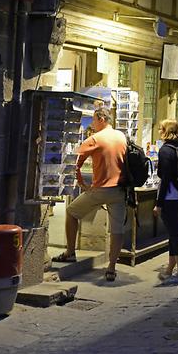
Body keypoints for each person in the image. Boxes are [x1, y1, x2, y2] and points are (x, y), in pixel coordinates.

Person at [51, 106, 126, 282]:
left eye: (93, 119)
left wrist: (81, 182)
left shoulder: (95, 139)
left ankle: (70, 252)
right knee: (117, 231)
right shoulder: (121, 136)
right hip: (120, 190)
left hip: (100, 189)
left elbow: (74, 161)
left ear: (101, 119)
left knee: (71, 212)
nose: (92, 123)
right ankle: (111, 268)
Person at [153, 119, 178, 285]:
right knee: (174, 234)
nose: (159, 131)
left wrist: (158, 203)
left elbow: (166, 179)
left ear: (165, 131)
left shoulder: (165, 151)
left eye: (161, 128)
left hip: (170, 198)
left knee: (176, 235)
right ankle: (169, 270)